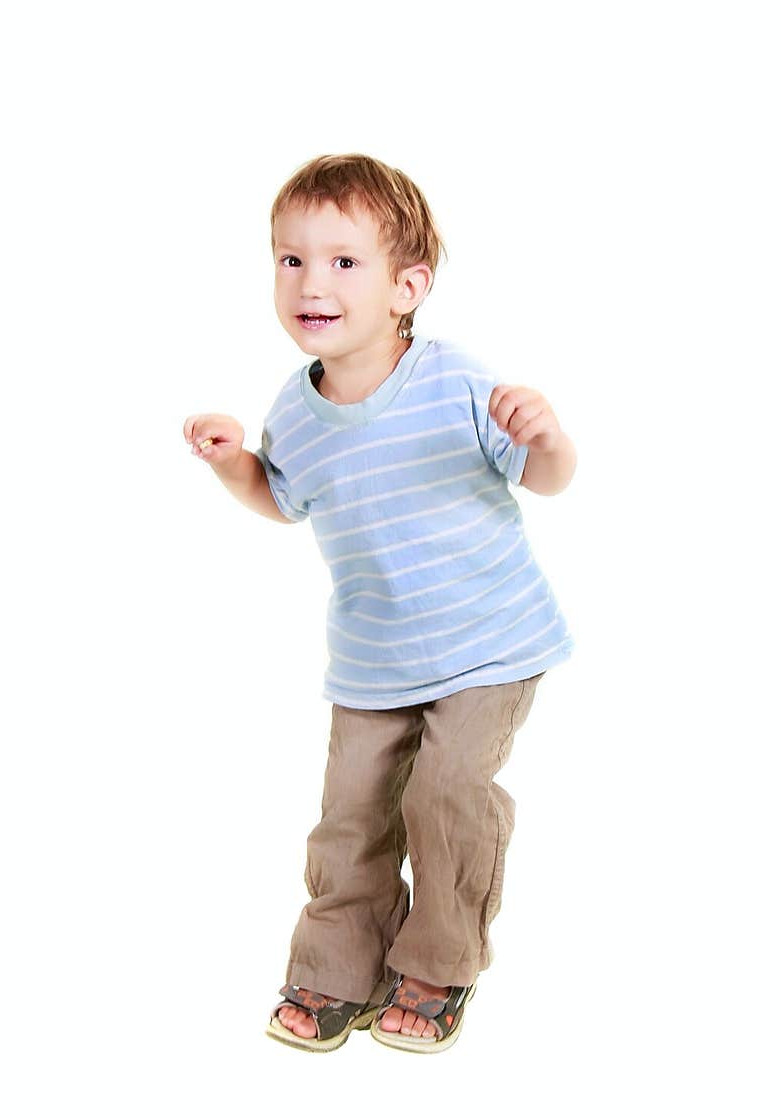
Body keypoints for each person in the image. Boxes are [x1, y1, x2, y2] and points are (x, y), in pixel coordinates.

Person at [182, 153, 577, 1053]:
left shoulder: (456, 381)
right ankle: (336, 969)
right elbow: (283, 498)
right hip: (374, 656)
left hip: (488, 643)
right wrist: (234, 461)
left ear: (409, 286)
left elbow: (549, 480)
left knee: (445, 795)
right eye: (291, 260)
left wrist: (546, 436)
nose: (310, 282)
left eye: (343, 262)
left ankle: (440, 961)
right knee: (352, 812)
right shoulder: (297, 405)